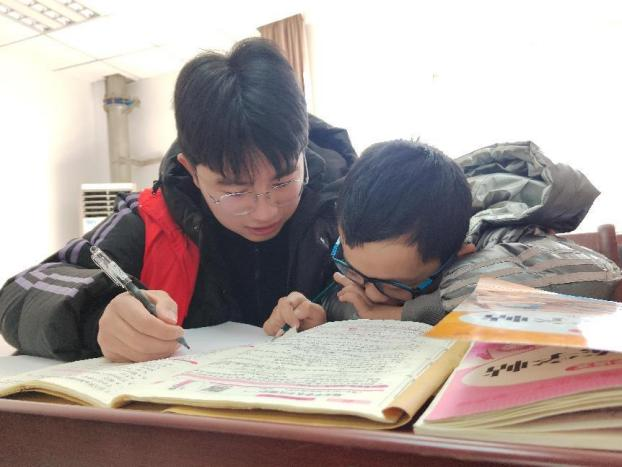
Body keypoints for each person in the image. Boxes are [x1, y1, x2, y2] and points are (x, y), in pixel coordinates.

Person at [0, 38, 356, 362]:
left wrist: (332, 316)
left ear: (302, 156)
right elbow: (20, 291)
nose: (264, 211)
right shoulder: (153, 217)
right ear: (192, 172)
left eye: (283, 181)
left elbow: (386, 297)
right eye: (234, 190)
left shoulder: (348, 211)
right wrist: (97, 317)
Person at [263, 139, 622, 335]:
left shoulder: (497, 237)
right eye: (349, 266)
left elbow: (599, 275)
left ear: (460, 253)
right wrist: (320, 317)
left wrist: (399, 314)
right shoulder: (367, 264)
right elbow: (354, 303)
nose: (366, 292)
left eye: (391, 285)